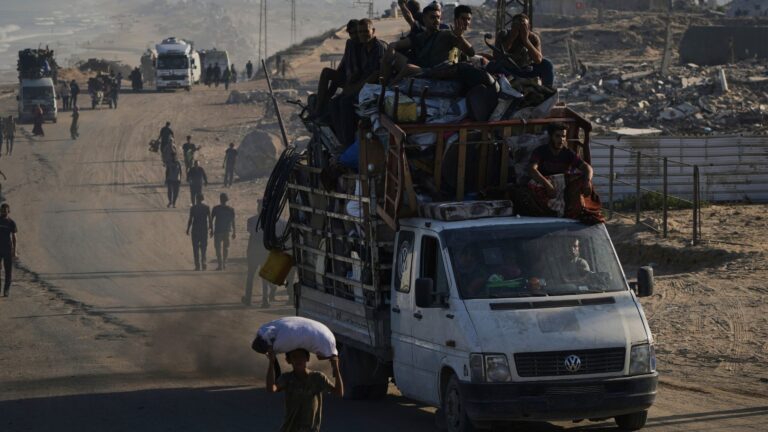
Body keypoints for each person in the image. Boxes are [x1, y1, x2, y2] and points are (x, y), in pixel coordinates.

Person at [329, 18, 387, 147]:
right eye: (360, 32)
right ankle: (341, 139)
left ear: (373, 31)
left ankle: (347, 142)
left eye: (365, 31)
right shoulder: (363, 48)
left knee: (345, 102)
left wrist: (355, 88)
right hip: (365, 87)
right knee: (334, 102)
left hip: (375, 89)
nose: (362, 34)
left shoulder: (378, 47)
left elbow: (376, 75)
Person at [381, 3, 475, 83]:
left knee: (409, 69)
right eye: (433, 17)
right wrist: (391, 49)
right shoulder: (420, 36)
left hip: (434, 71)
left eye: (438, 17)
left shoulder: (445, 34)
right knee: (389, 56)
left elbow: (471, 52)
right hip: (421, 66)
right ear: (424, 18)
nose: (436, 20)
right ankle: (383, 84)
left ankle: (389, 88)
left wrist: (460, 37)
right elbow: (396, 44)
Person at [265, 348, 344, 432]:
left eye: (301, 356)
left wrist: (336, 367)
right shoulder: (287, 378)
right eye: (294, 357)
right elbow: (271, 389)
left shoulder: (317, 377)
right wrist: (271, 363)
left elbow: (339, 392)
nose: (298, 359)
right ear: (288, 360)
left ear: (307, 358)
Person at [489, 13, 555, 88]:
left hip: (526, 69)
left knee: (547, 65)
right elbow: (497, 55)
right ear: (512, 26)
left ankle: (547, 90)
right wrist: (512, 37)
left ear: (528, 27)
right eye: (517, 25)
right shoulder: (504, 34)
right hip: (507, 69)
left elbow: (538, 60)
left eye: (524, 26)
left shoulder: (533, 38)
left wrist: (526, 40)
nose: (520, 28)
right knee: (491, 65)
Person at [528, 122, 593, 197]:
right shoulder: (540, 151)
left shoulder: (568, 153)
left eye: (563, 136)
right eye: (557, 136)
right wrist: (547, 185)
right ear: (550, 137)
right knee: (533, 186)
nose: (561, 139)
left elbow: (587, 168)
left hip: (564, 185)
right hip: (546, 184)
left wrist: (587, 182)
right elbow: (532, 169)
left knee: (583, 181)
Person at [314, 19, 359, 115]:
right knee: (328, 75)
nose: (354, 36)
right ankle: (320, 107)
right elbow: (344, 63)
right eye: (351, 33)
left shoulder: (363, 44)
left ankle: (319, 110)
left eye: (356, 32)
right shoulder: (350, 43)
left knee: (328, 75)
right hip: (348, 77)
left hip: (357, 82)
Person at [186, 193, 212, 271]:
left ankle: (197, 265)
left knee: (195, 248)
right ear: (203, 199)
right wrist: (211, 229)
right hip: (204, 229)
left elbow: (190, 219)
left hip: (195, 229)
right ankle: (204, 263)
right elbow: (210, 219)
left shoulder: (193, 208)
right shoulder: (206, 207)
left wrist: (188, 229)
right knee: (204, 247)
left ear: (197, 199)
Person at [211, 193, 236, 270]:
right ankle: (224, 263)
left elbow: (211, 220)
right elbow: (233, 221)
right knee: (226, 248)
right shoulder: (231, 209)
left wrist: (211, 230)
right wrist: (234, 231)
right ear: (227, 200)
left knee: (218, 248)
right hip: (227, 231)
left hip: (218, 231)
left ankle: (220, 264)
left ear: (220, 199)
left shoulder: (215, 208)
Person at [0, 203, 17, 297]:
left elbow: (14, 237)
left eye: (5, 210)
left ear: (8, 211)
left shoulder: (11, 223)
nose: (4, 211)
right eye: (2, 210)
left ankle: (6, 290)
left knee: (8, 271)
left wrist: (14, 250)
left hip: (7, 249)